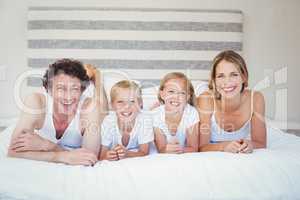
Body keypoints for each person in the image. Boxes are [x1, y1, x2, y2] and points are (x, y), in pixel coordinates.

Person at [7, 59, 108, 165]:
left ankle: (97, 77)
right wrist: (62, 156)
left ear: (82, 91)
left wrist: (48, 146)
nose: (68, 97)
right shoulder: (36, 102)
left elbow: (89, 158)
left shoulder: (90, 107)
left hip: (92, 111)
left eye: (75, 89)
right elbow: (13, 152)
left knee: (103, 113)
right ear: (48, 90)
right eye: (61, 88)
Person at [197, 50, 266, 153]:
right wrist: (224, 146)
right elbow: (201, 147)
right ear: (214, 80)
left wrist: (249, 144)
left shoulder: (256, 98)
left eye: (234, 74)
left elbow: (260, 143)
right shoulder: (206, 100)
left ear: (244, 77)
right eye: (221, 76)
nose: (227, 82)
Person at [99, 80, 154, 161]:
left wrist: (128, 154)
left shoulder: (144, 120)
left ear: (140, 103)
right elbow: (101, 156)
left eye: (132, 101)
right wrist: (108, 156)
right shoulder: (108, 122)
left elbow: (144, 152)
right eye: (120, 102)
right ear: (112, 105)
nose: (126, 106)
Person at [152, 72, 199, 154]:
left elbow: (193, 148)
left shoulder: (191, 113)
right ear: (162, 94)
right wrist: (167, 150)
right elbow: (161, 149)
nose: (176, 97)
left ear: (187, 97)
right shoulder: (156, 114)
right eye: (171, 91)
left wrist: (180, 150)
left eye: (182, 93)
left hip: (183, 154)